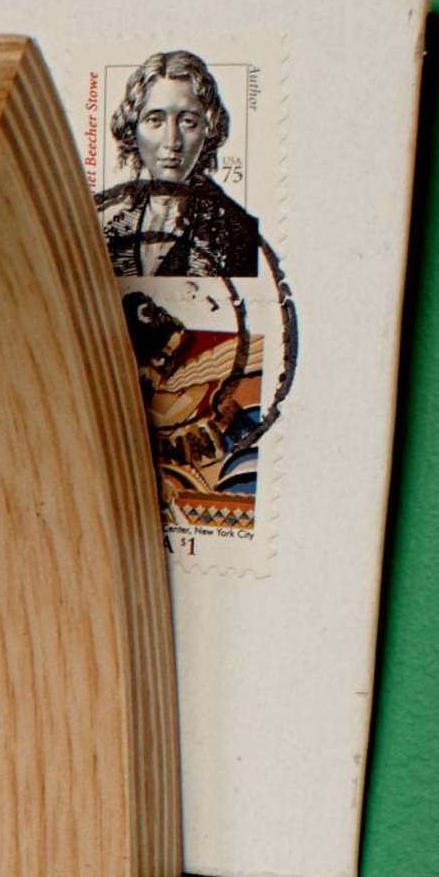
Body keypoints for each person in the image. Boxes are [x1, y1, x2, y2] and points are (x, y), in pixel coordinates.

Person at [95, 52, 297, 536]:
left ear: (209, 129)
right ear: (131, 128)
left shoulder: (235, 233)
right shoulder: (103, 222)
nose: (171, 142)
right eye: (155, 119)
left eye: (187, 121)